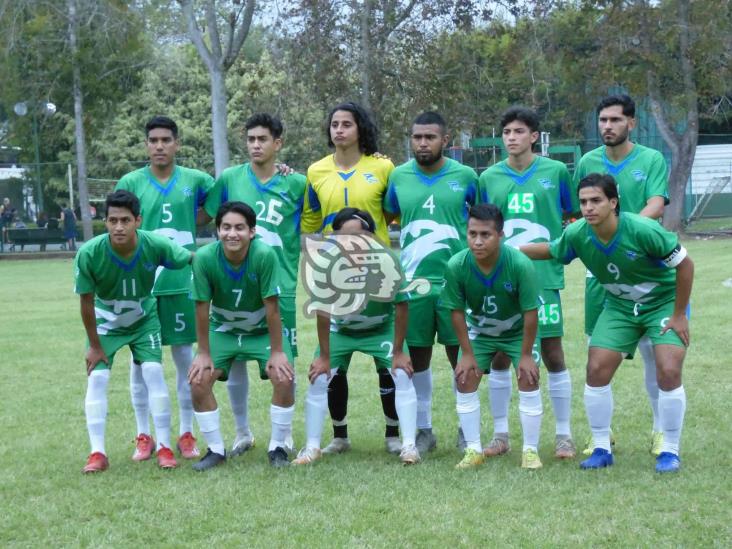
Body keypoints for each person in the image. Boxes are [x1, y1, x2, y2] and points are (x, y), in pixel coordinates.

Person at [521, 173, 693, 473]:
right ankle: (601, 447)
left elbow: (685, 265)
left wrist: (678, 314)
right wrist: (508, 251)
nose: (588, 207)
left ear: (613, 203)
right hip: (620, 307)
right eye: (584, 202)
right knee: (596, 368)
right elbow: (551, 250)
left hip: (662, 303)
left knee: (668, 369)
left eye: (596, 201)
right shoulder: (578, 234)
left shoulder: (642, 229)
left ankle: (670, 450)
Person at [203, 113, 306, 458]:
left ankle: (284, 436)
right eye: (251, 139)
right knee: (233, 360)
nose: (256, 145)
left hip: (282, 286)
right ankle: (242, 433)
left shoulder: (297, 183)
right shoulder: (231, 178)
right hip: (236, 280)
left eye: (263, 139)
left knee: (283, 365)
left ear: (278, 144)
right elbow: (210, 215)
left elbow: (317, 216)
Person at [478, 106, 576, 459]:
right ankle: (500, 434)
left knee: (552, 352)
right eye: (506, 132)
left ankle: (564, 435)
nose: (511, 138)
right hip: (501, 278)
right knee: (503, 354)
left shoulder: (555, 172)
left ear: (534, 136)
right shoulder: (488, 177)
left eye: (519, 132)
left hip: (544, 277)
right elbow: (484, 225)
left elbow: (568, 214)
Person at [302, 102, 400, 454]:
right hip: (336, 270)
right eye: (334, 124)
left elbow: (392, 212)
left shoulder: (383, 166)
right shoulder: (315, 171)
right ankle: (339, 436)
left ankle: (393, 434)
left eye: (347, 123)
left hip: (377, 271)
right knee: (332, 361)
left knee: (385, 359)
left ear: (360, 128)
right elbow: (311, 220)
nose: (339, 129)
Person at [574, 94, 670, 456]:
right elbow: (581, 208)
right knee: (596, 356)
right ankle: (601, 435)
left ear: (632, 123)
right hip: (599, 274)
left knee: (653, 355)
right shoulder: (587, 161)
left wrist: (623, 235)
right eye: (603, 120)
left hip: (644, 265)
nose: (607, 126)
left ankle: (661, 431)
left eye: (615, 120)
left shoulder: (651, 159)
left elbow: (656, 204)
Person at [115, 116, 214, 461]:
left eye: (165, 140)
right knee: (141, 363)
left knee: (185, 358)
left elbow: (219, 208)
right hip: (142, 285)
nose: (159, 146)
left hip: (180, 283)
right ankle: (144, 435)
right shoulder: (131, 181)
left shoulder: (197, 180)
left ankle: (187, 433)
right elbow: (120, 226)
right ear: (146, 145)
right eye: (153, 140)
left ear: (176, 144)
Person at [74, 190, 193, 473]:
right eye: (112, 220)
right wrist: (94, 345)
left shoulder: (154, 244)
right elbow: (86, 303)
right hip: (106, 323)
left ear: (138, 220)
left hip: (143, 321)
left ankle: (164, 446)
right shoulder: (89, 253)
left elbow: (191, 259)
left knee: (152, 372)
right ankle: (97, 453)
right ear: (105, 221)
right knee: (98, 379)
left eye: (125, 220)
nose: (118, 227)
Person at [383, 111, 478, 455]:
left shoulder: (466, 176)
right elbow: (389, 214)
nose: (422, 143)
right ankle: (424, 431)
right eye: (417, 137)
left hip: (456, 283)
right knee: (416, 360)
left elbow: (480, 219)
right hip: (414, 285)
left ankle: (468, 431)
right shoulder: (398, 176)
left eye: (430, 137)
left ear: (445, 140)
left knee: (462, 359)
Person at [293, 208, 420, 465]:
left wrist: (397, 352)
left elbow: (402, 306)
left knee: (402, 374)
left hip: (381, 328)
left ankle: (408, 445)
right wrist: (325, 356)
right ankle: (313, 447)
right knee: (319, 377)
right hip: (343, 331)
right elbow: (323, 311)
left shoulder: (387, 260)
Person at [188, 201, 295, 470]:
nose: (232, 234)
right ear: (217, 230)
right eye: (226, 227)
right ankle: (215, 450)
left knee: (283, 376)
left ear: (252, 231)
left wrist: (277, 351)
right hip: (222, 330)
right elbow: (201, 307)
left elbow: (272, 308)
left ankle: (278, 447)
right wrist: (202, 352)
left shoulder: (264, 255)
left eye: (239, 228)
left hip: (260, 332)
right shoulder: (204, 258)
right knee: (198, 380)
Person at [440, 204, 544, 469]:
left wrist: (524, 355)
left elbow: (531, 312)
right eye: (472, 233)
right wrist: (467, 353)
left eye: (485, 234)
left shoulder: (520, 264)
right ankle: (473, 450)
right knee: (464, 378)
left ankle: (530, 451)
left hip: (517, 331)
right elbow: (456, 312)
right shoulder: (457, 265)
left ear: (501, 234)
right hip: (481, 332)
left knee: (528, 378)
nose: (477, 241)